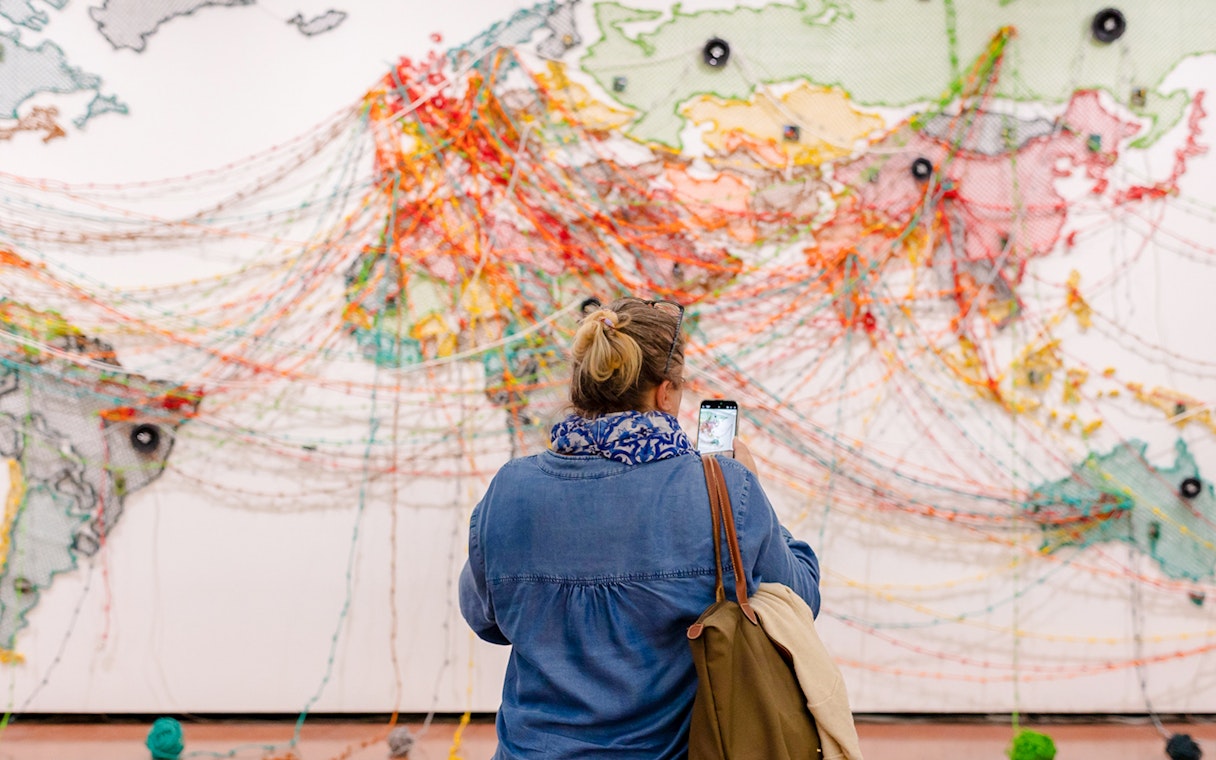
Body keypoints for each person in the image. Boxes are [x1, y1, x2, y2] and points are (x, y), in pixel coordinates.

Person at [459, 296, 821, 759]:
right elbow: (801, 598)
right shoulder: (722, 490)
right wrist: (750, 489)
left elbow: (485, 620)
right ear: (665, 392)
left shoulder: (511, 488)